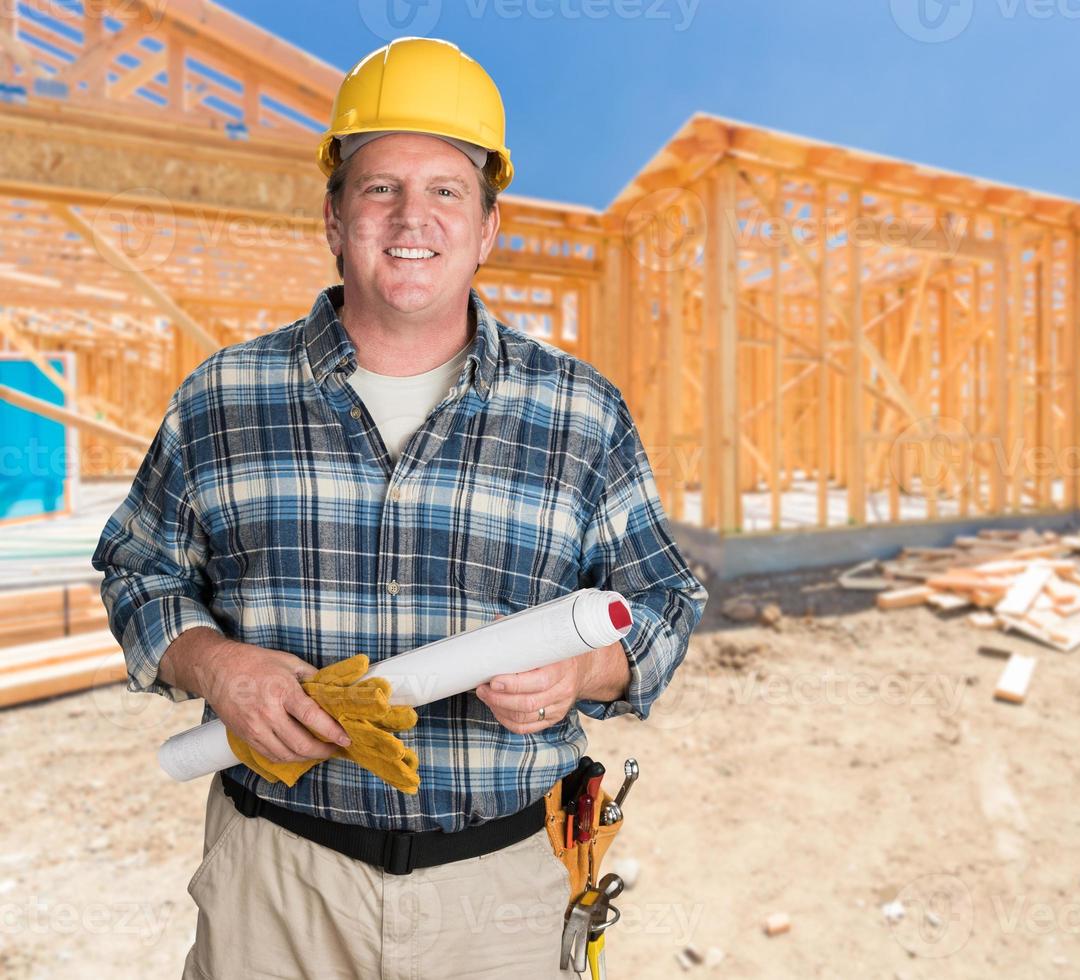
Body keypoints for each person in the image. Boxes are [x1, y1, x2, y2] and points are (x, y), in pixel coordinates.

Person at [91, 36, 706, 979]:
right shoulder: (224, 396)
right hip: (276, 886)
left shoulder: (579, 412)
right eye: (379, 188)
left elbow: (666, 603)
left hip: (500, 892)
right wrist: (217, 666)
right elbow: (140, 570)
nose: (411, 215)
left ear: (488, 227)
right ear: (334, 218)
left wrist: (586, 667)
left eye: (447, 189)